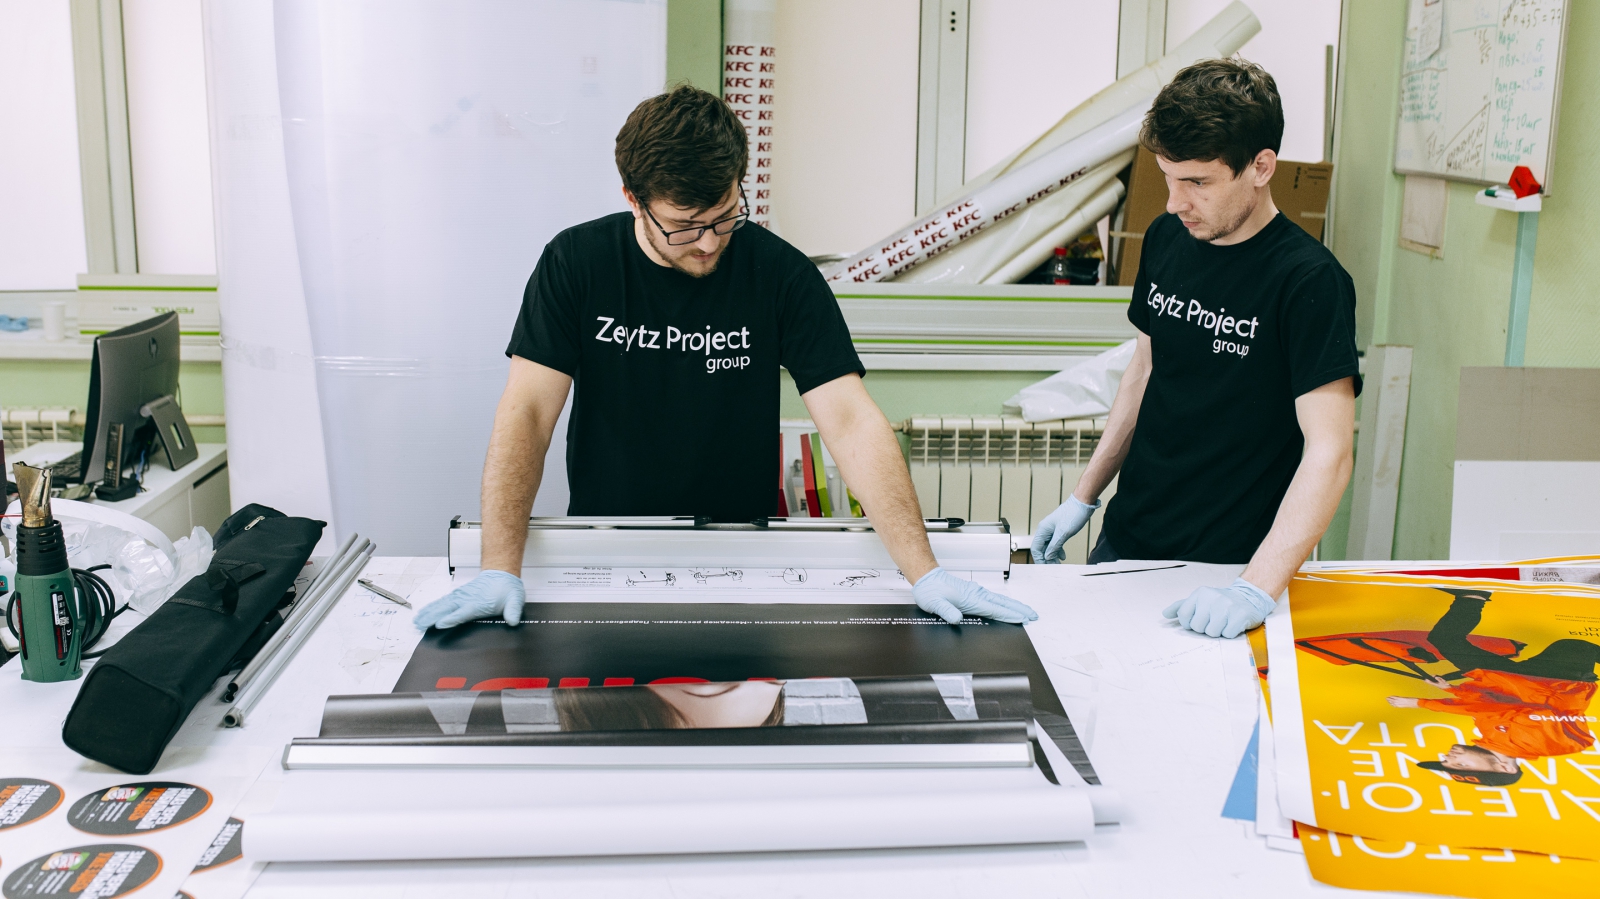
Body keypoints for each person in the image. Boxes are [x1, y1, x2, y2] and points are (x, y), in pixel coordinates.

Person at [415, 85, 1035, 631]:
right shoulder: (576, 264)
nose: (710, 243)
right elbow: (527, 414)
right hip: (606, 546)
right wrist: (499, 565)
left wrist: (923, 571)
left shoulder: (780, 274)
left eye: (725, 217)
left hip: (742, 551)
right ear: (633, 198)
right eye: (685, 225)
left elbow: (851, 422)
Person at [1030, 58, 1360, 639]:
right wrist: (1084, 496)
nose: (1174, 203)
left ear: (1260, 168)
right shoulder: (1166, 239)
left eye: (1198, 183)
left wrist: (1255, 588)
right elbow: (1143, 373)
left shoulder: (1309, 281)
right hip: (1128, 538)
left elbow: (1329, 451)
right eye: (1168, 177)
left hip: (1228, 569)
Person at [1386, 590, 1600, 782]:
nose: (1448, 758)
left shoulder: (1491, 738)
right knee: (1577, 648)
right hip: (1555, 681)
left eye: (1445, 762)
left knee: (1445, 639)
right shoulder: (1540, 746)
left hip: (1520, 681)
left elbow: (1490, 703)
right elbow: (1506, 710)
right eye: (1460, 765)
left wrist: (1450, 689)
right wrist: (1421, 703)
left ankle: (1472, 596)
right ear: (1505, 768)